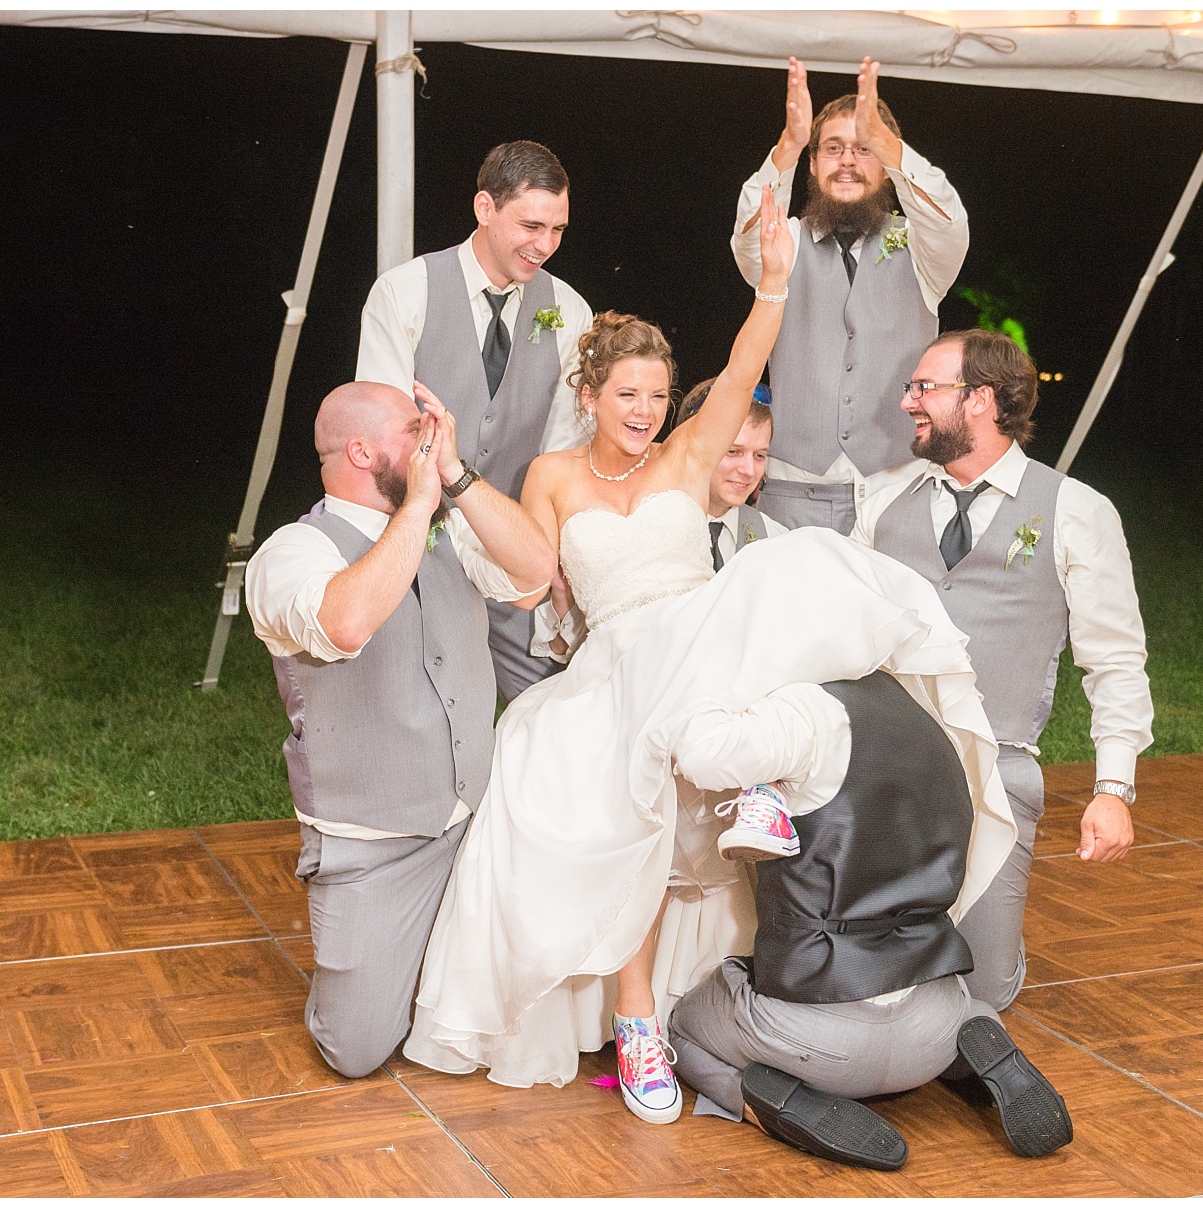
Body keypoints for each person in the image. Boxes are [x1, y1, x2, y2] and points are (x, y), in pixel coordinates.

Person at [403, 188, 1011, 1130]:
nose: (645, 412)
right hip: (620, 663)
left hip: (704, 639)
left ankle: (765, 805)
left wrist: (774, 284)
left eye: (656, 395)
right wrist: (453, 474)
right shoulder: (554, 477)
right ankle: (637, 1023)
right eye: (627, 396)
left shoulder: (688, 455)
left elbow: (744, 366)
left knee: (789, 569)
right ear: (589, 397)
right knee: (612, 787)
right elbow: (525, 567)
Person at [243, 380, 553, 1078]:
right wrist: (415, 506)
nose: (429, 440)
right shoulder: (291, 552)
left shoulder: (450, 529)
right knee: (355, 1050)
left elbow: (536, 572)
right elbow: (345, 624)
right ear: (361, 451)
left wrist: (456, 476)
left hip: (479, 822)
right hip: (372, 844)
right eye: (415, 431)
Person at [853, 327, 1153, 1011]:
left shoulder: (1077, 511)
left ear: (981, 400)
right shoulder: (879, 499)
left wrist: (1113, 789)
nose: (907, 402)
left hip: (998, 770)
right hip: (882, 771)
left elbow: (1115, 661)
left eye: (924, 387)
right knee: (871, 976)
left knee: (980, 993)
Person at [666, 668, 1069, 1170]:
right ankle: (977, 1049)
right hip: (933, 1023)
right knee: (972, 1007)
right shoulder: (931, 718)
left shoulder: (795, 718)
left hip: (816, 1039)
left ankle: (776, 1105)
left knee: (682, 1027)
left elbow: (701, 755)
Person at [358, 139, 595, 702]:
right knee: (423, 715)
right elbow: (384, 434)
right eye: (531, 226)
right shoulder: (404, 293)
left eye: (558, 230)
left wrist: (545, 557)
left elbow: (564, 453)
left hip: (518, 554)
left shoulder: (570, 310)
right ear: (484, 207)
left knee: (553, 713)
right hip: (420, 555)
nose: (545, 246)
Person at [731, 57, 967, 535]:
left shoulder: (922, 249)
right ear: (812, 164)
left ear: (888, 168)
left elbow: (950, 221)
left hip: (898, 493)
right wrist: (789, 144)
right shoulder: (786, 241)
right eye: (833, 149)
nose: (847, 162)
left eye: (864, 149)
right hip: (793, 495)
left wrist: (889, 143)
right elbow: (749, 235)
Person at [672, 379, 789, 570]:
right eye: (733, 452)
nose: (749, 471)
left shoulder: (775, 539)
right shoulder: (648, 527)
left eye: (759, 455)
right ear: (691, 446)